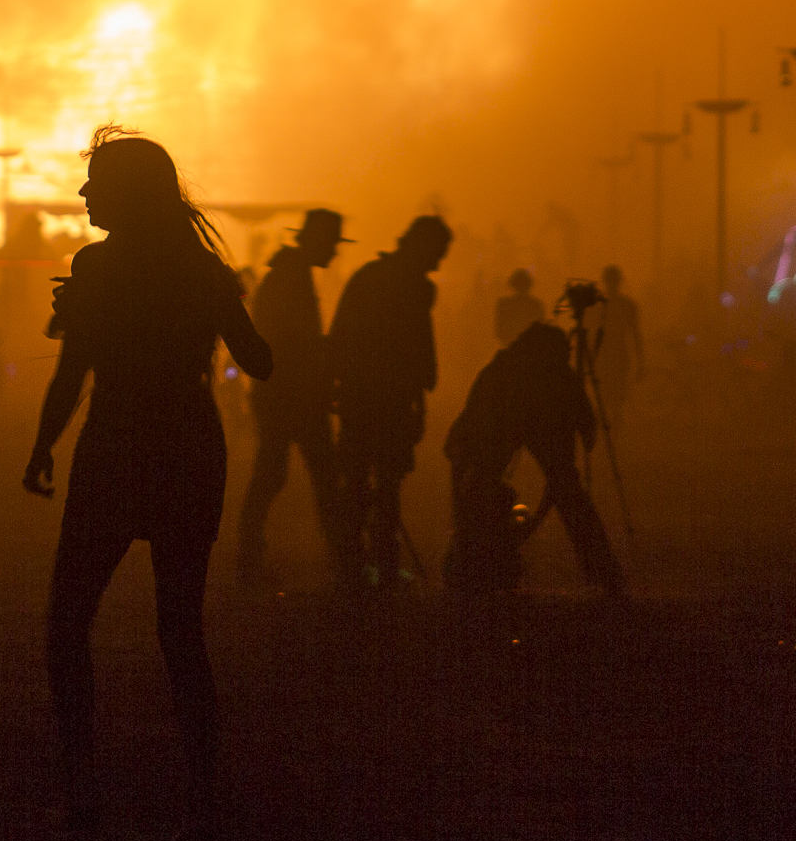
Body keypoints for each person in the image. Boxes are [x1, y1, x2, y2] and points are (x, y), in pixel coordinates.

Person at [22, 126, 272, 841]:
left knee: (68, 623)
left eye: (94, 182)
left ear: (124, 194)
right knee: (180, 630)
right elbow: (259, 362)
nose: (83, 193)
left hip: (116, 450)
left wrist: (42, 446)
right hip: (191, 451)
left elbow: (74, 371)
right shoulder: (203, 271)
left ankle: (81, 789)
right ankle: (202, 794)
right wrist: (231, 308)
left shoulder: (96, 268)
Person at [444, 321, 623, 596]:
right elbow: (585, 423)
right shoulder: (552, 374)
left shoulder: (500, 371)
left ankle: (478, 558)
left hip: (505, 424)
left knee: (486, 484)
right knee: (567, 491)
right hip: (528, 421)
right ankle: (602, 570)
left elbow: (469, 428)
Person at [328, 213, 452, 589]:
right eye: (437, 252)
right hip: (388, 401)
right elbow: (418, 348)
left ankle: (353, 565)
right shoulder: (416, 288)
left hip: (360, 399)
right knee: (387, 486)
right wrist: (420, 396)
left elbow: (339, 335)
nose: (438, 262)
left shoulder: (369, 277)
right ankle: (381, 564)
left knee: (359, 483)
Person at [235, 208, 347, 585]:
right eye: (331, 244)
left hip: (281, 392)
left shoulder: (289, 275)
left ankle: (250, 551)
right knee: (316, 475)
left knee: (276, 471)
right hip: (290, 394)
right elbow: (296, 343)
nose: (334, 253)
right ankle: (343, 557)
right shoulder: (291, 279)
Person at [595, 266, 645, 432]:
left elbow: (636, 334)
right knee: (608, 398)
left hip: (614, 355)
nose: (612, 285)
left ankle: (612, 435)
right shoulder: (599, 304)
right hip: (606, 355)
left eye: (613, 281)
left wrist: (641, 361)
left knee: (613, 398)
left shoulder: (625, 305)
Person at [493, 266, 543, 347]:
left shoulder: (504, 304)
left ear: (512, 284)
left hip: (511, 348)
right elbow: (541, 331)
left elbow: (499, 331)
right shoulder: (536, 304)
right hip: (530, 349)